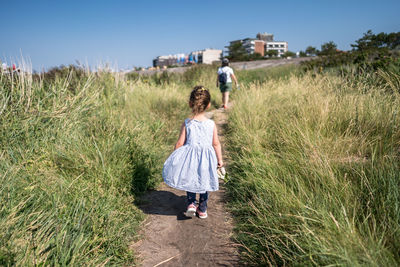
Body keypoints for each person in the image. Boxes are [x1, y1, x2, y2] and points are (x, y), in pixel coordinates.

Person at [163, 86, 223, 219]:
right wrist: (220, 160)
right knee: (204, 181)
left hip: (190, 158)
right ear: (208, 105)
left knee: (190, 178)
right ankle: (202, 209)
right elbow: (216, 143)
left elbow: (179, 143)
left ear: (190, 103)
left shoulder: (187, 123)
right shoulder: (211, 124)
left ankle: (191, 204)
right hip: (207, 159)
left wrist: (176, 157)